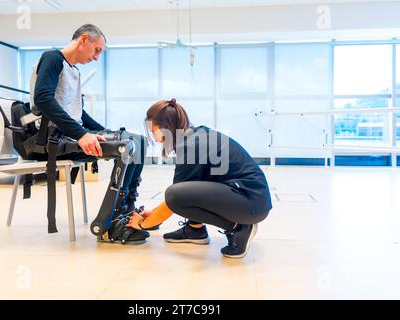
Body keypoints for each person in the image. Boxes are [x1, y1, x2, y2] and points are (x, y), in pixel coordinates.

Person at [29, 24, 148, 243]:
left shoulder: (73, 70)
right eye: (97, 50)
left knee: (138, 141)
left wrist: (102, 131)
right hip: (51, 139)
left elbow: (77, 113)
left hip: (68, 134)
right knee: (127, 147)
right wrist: (82, 135)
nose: (96, 57)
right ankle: (110, 224)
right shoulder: (53, 59)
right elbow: (43, 99)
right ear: (83, 39)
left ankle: (127, 211)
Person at [126, 99, 272, 258]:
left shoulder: (191, 145)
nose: (154, 137)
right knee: (186, 189)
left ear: (166, 127)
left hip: (250, 202)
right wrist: (154, 213)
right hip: (251, 197)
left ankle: (239, 227)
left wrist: (143, 224)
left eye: (154, 130)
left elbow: (175, 198)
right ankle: (195, 230)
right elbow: (189, 188)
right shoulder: (194, 136)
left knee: (175, 194)